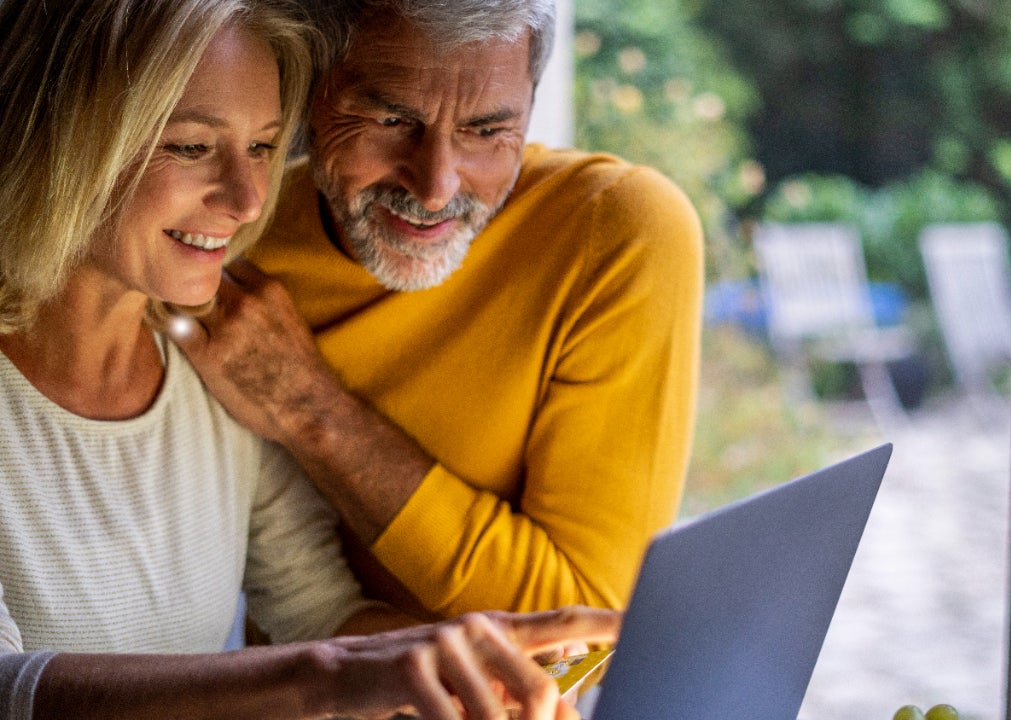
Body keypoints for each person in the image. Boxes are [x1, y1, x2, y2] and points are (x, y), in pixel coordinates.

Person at [0, 1, 617, 718]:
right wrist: (324, 677)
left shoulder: (213, 357)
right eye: (193, 146)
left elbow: (319, 609)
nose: (247, 197)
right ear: (60, 136)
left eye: (263, 148)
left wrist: (492, 682)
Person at [172, 0, 705, 621]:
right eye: (392, 118)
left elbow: (587, 638)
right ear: (308, 91)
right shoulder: (224, 242)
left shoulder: (614, 231)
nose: (435, 186)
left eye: (485, 130)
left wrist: (311, 410)